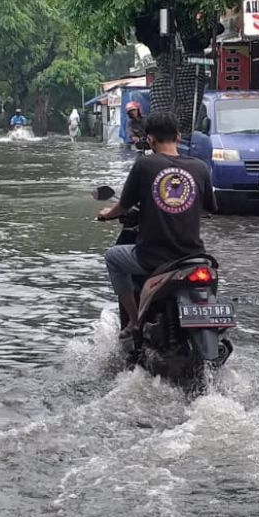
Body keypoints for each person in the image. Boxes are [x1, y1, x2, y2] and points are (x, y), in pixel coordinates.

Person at [97, 111, 215, 345]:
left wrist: (106, 214)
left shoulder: (145, 164)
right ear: (178, 137)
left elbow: (124, 205)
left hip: (153, 257)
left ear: (150, 140)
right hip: (193, 256)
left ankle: (134, 321)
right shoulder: (200, 168)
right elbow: (209, 208)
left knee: (112, 258)